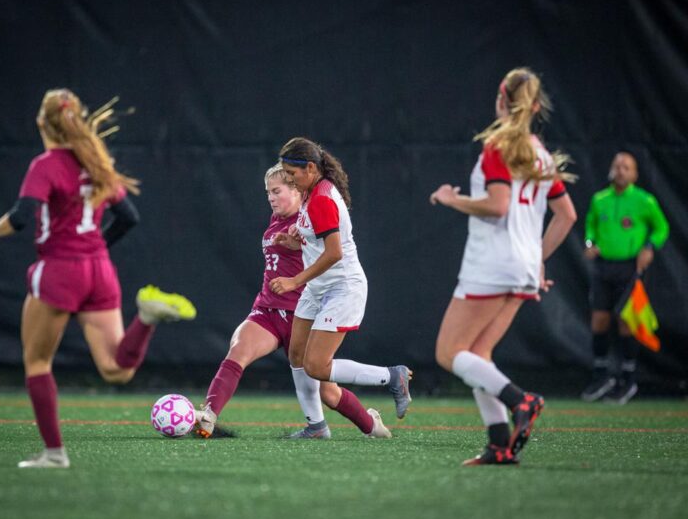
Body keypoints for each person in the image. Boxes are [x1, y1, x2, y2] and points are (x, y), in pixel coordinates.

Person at [0, 89, 196, 468]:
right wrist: (96, 247)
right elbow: (129, 216)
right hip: (99, 269)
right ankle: (147, 319)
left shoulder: (46, 164)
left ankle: (55, 454)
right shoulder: (95, 161)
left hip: (60, 269)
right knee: (116, 369)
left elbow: (22, 216)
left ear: (43, 123)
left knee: (37, 362)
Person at [429, 67, 577, 466]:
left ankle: (520, 400)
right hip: (522, 266)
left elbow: (498, 205)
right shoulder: (540, 153)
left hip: (493, 263)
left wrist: (450, 199)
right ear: (533, 105)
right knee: (480, 353)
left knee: (448, 352)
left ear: (501, 100)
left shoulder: (499, 146)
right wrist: (536, 261)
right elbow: (566, 216)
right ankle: (498, 444)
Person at [194, 163, 392, 439]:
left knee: (328, 392)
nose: (271, 198)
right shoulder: (277, 219)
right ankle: (208, 416)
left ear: (298, 191)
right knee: (238, 350)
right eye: (267, 193)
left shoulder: (309, 218)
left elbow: (328, 249)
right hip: (268, 310)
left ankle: (371, 425)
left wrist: (300, 246)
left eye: (277, 191)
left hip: (303, 312)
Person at [269, 137, 412, 439]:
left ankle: (392, 376)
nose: (288, 180)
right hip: (318, 288)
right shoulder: (310, 193)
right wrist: (296, 242)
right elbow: (319, 242)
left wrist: (295, 280)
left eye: (292, 174)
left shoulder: (320, 198)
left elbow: (335, 253)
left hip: (341, 288)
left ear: (310, 168)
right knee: (296, 355)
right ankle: (317, 427)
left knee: (317, 367)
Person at [581, 151, 669, 404]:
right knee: (599, 319)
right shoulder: (600, 200)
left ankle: (627, 380)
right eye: (617, 165)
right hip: (603, 266)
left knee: (626, 320)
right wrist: (590, 243)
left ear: (634, 174)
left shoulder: (645, 201)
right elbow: (590, 227)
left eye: (626, 167)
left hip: (630, 267)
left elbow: (661, 227)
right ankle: (602, 376)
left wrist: (649, 247)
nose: (620, 170)